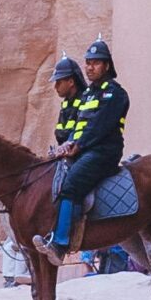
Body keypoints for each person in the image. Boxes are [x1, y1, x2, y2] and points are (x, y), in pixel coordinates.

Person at [37, 37, 128, 261]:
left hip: (104, 152)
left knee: (70, 185)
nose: (90, 67)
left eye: (96, 62)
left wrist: (77, 146)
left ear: (107, 65)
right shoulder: (88, 95)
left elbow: (99, 127)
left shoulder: (115, 93)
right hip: (85, 150)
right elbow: (78, 127)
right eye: (88, 62)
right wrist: (67, 144)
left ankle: (61, 243)